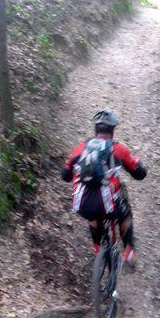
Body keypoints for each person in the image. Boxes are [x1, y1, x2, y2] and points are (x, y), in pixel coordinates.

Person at [61, 108, 147, 267]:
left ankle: (97, 246)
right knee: (125, 214)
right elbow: (139, 174)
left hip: (82, 202)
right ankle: (128, 250)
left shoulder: (81, 147)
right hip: (108, 203)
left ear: (95, 130)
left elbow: (65, 175)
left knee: (92, 215)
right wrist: (140, 166)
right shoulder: (118, 149)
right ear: (112, 130)